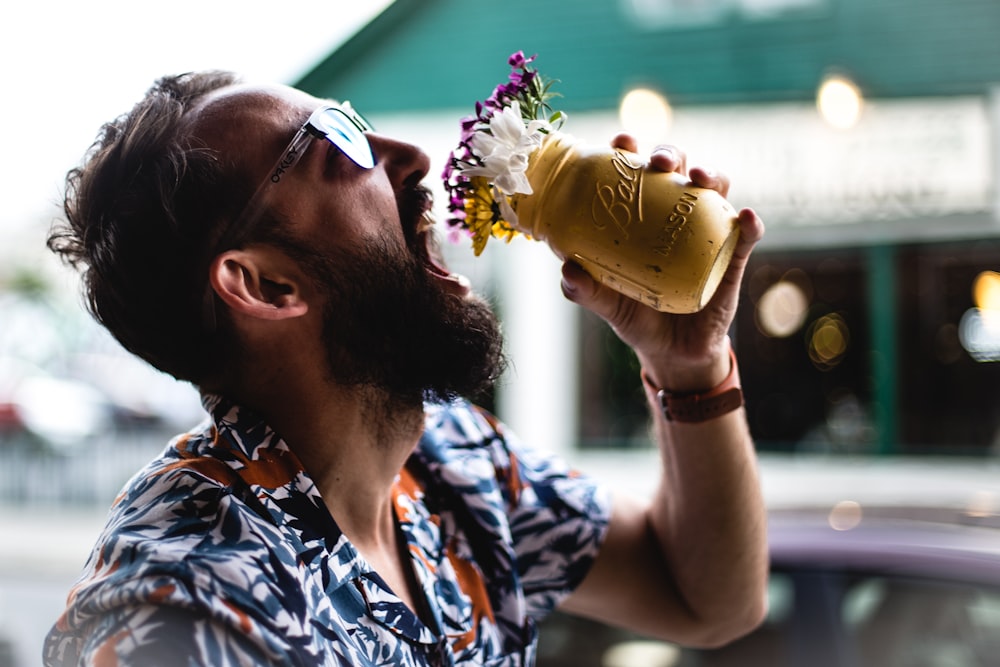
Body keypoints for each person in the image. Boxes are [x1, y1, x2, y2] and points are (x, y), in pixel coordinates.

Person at [42, 70, 768, 666]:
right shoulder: (189, 608)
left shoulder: (453, 463)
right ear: (263, 284)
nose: (412, 158)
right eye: (339, 142)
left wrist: (689, 366)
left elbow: (707, 598)